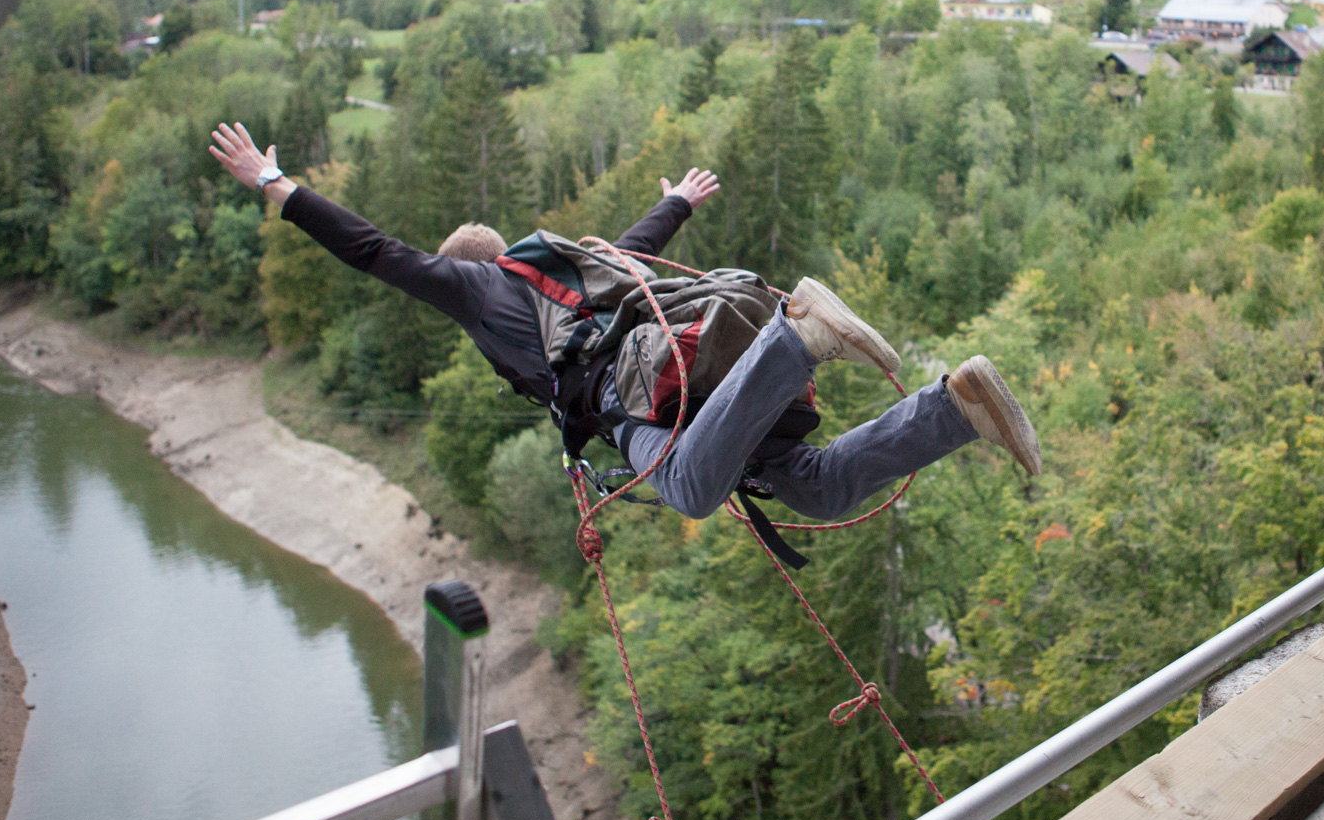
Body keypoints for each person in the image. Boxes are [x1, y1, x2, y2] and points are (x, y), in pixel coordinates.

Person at [206, 122, 1041, 523]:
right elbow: (635, 248)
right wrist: (677, 201)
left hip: (643, 398)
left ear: (463, 268)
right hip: (697, 371)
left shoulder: (479, 290)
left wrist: (275, 186)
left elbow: (375, 251)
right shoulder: (570, 270)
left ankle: (800, 335)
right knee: (815, 488)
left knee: (684, 488)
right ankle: (955, 407)